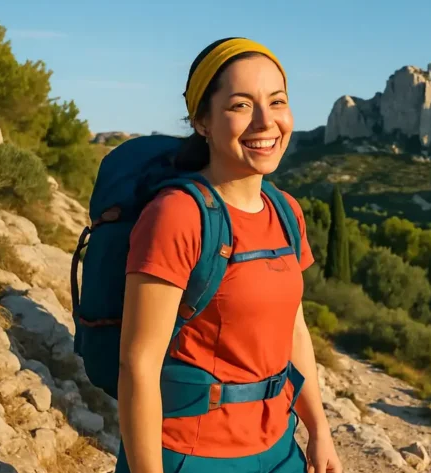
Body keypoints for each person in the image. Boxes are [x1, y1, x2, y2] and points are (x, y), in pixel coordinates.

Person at [115, 37, 343, 473]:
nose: (265, 122)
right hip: (192, 453)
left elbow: (293, 330)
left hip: (279, 446)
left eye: (277, 101)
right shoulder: (176, 215)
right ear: (202, 121)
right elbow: (137, 364)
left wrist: (319, 429)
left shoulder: (286, 211)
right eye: (241, 105)